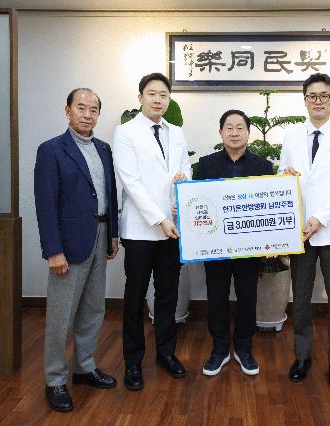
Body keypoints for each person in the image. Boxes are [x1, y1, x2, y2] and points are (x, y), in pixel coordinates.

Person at [34, 88, 119, 412]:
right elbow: (45, 204)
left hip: (100, 235)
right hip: (68, 244)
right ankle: (55, 380)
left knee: (94, 308)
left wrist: (112, 235)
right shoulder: (52, 150)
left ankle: (84, 367)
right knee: (61, 316)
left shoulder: (104, 149)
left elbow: (110, 193)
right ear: (67, 111)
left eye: (93, 109)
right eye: (81, 108)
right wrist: (53, 250)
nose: (87, 114)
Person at [279, 73, 330, 389]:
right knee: (300, 298)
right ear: (304, 100)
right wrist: (284, 174)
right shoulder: (291, 136)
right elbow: (283, 175)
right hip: (299, 230)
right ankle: (302, 357)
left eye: (324, 95)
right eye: (312, 96)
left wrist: (320, 219)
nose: (318, 101)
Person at [112, 72, 192, 391]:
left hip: (173, 228)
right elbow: (130, 183)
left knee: (168, 293)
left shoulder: (177, 132)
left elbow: (185, 169)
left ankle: (166, 353)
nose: (158, 100)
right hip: (141, 229)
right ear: (140, 98)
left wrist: (183, 182)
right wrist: (159, 218)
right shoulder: (125, 132)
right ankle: (133, 362)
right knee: (135, 296)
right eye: (152, 94)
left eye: (163, 95)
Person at [194, 110, 274, 376]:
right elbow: (198, 203)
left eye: (240, 127)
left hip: (249, 248)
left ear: (248, 133)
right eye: (229, 127)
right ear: (220, 132)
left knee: (248, 297)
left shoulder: (263, 167)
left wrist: (272, 243)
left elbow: (268, 207)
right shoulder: (205, 165)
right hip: (215, 246)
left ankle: (243, 348)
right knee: (216, 297)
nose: (235, 132)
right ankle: (219, 349)